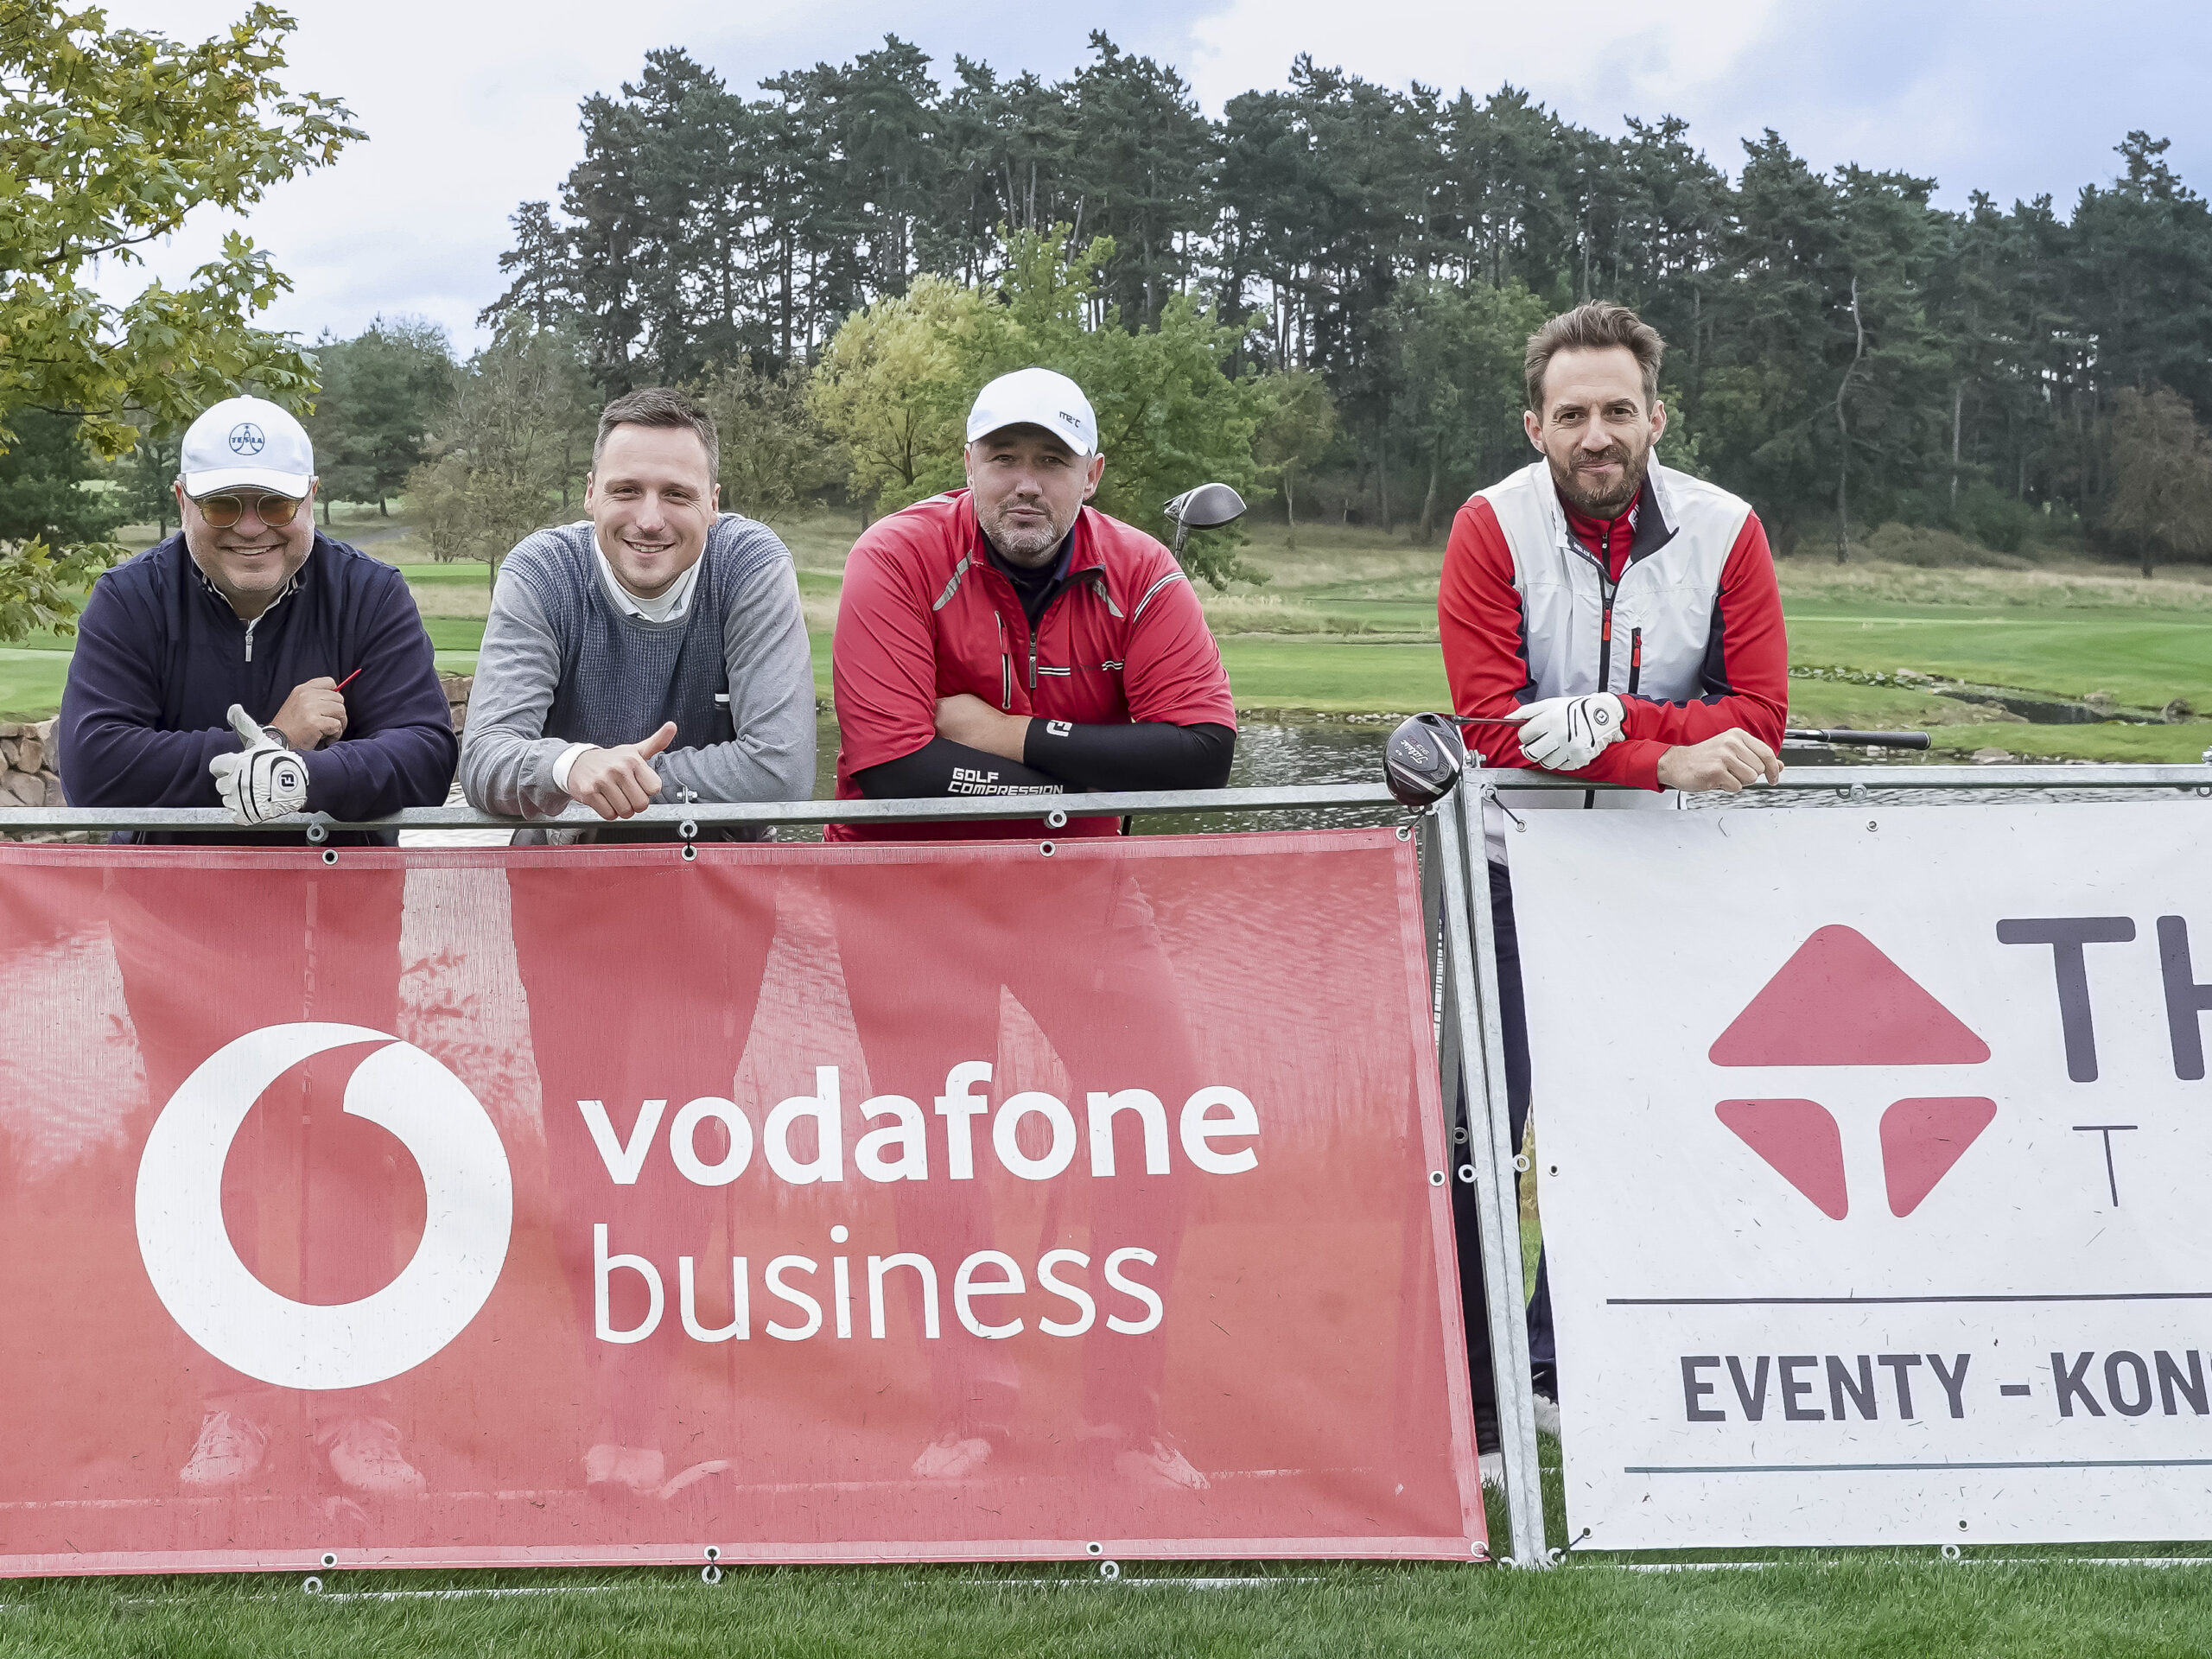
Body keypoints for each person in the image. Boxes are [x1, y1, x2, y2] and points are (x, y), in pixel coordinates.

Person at [825, 367, 1234, 1490]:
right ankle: (971, 1413)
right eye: (1002, 457)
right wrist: (1083, 774)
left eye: (1050, 461)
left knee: (1155, 1118)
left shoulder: (1140, 568)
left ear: (1090, 475)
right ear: (966, 466)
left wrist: (1008, 735)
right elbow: (896, 768)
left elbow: (1202, 753)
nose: (1024, 482)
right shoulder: (897, 556)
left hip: (1072, 890)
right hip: (910, 895)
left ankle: (1121, 1420)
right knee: (938, 1151)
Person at [58, 394, 457, 1497]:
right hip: (178, 936)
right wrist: (272, 745)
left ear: (310, 500)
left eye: (274, 504)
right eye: (224, 502)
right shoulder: (130, 598)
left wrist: (299, 781)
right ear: (182, 499)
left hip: (344, 924)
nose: (250, 526)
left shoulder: (366, 592)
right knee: (208, 1158)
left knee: (349, 1151)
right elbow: (94, 763)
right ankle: (229, 1406)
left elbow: (425, 754)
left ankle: (355, 1409)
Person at [1436, 301, 1789, 1474]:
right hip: (1507, 868)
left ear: (1657, 418)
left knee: (1634, 1126)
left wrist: (1609, 723)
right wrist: (1666, 749)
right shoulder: (1489, 525)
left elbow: (1761, 722)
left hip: (1655, 876)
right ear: (1534, 425)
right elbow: (1492, 727)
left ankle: (1558, 1363)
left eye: (1619, 411)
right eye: (1574, 413)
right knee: (1481, 1137)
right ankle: (1481, 1401)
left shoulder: (1727, 530)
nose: (1598, 434)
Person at [460, 386, 814, 1498]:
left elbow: (778, 768)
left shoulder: (750, 563)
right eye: (625, 489)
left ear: (715, 499)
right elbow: (486, 760)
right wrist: (574, 767)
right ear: (589, 494)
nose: (649, 517)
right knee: (586, 1156)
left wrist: (616, 784)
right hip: (569, 910)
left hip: (714, 907)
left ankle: (631, 1420)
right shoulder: (544, 570)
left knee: (669, 1155)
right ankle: (603, 1392)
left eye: (675, 492)